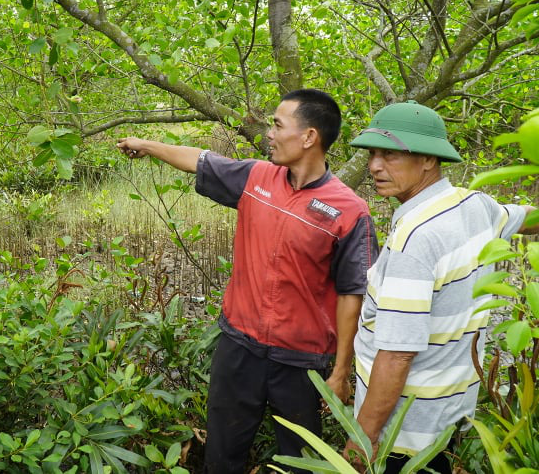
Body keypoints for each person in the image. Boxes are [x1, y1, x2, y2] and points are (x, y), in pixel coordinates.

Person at [117, 89, 379, 473]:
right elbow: (201, 161)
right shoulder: (257, 177)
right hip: (239, 346)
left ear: (309, 137)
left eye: (277, 124)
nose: (269, 134)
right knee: (223, 455)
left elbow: (351, 294)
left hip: (302, 361)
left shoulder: (349, 211)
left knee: (299, 463)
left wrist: (341, 372)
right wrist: (148, 145)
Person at [344, 101, 538, 473]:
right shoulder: (474, 204)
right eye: (372, 154)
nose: (374, 166)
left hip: (402, 436)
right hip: (451, 417)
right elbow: (526, 217)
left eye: (390, 155)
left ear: (429, 160)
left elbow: (398, 354)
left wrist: (363, 435)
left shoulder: (415, 239)